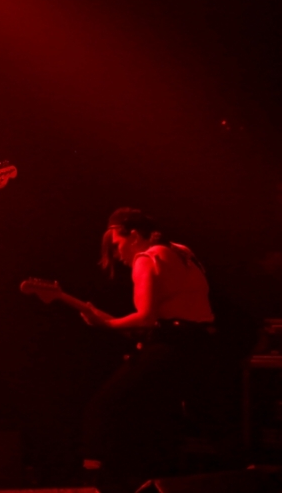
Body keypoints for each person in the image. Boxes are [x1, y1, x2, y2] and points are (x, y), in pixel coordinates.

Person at [77, 208, 216, 491]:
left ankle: (108, 481)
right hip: (203, 347)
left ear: (134, 236)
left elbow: (145, 318)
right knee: (153, 416)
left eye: (117, 244)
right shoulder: (181, 251)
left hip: (173, 346)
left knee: (106, 406)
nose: (117, 254)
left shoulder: (146, 258)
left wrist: (105, 324)